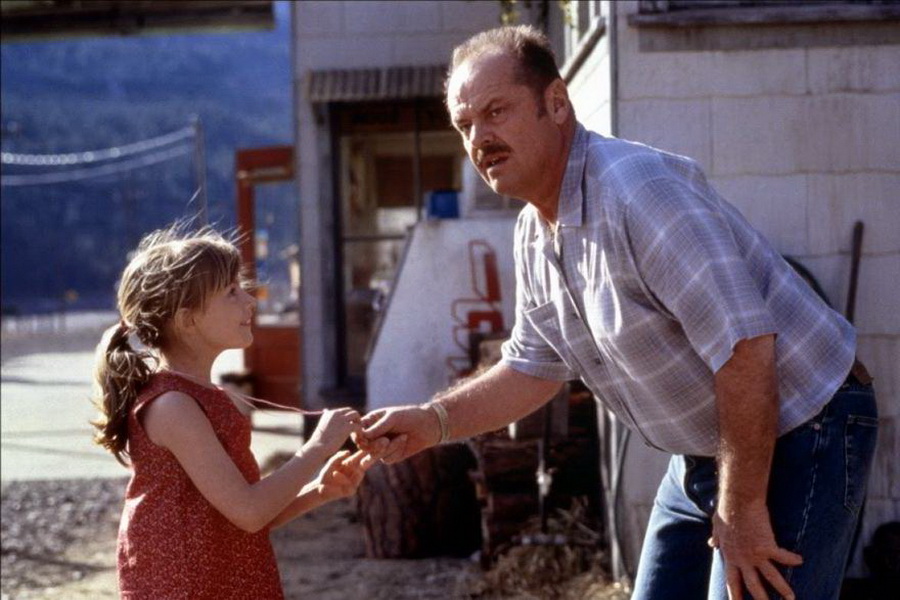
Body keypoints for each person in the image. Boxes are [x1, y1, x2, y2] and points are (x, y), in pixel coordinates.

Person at [360, 25, 878, 600]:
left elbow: (747, 347)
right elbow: (532, 369)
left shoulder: (638, 192)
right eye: (465, 125)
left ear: (557, 103)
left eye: (496, 111)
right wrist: (431, 422)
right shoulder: (534, 231)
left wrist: (743, 510)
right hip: (709, 450)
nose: (480, 137)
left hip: (806, 424)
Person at [92, 224, 383, 599]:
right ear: (187, 320)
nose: (250, 301)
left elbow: (239, 517)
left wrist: (319, 492)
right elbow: (248, 511)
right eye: (231, 292)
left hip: (222, 581)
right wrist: (318, 446)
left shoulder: (203, 397)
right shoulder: (172, 407)